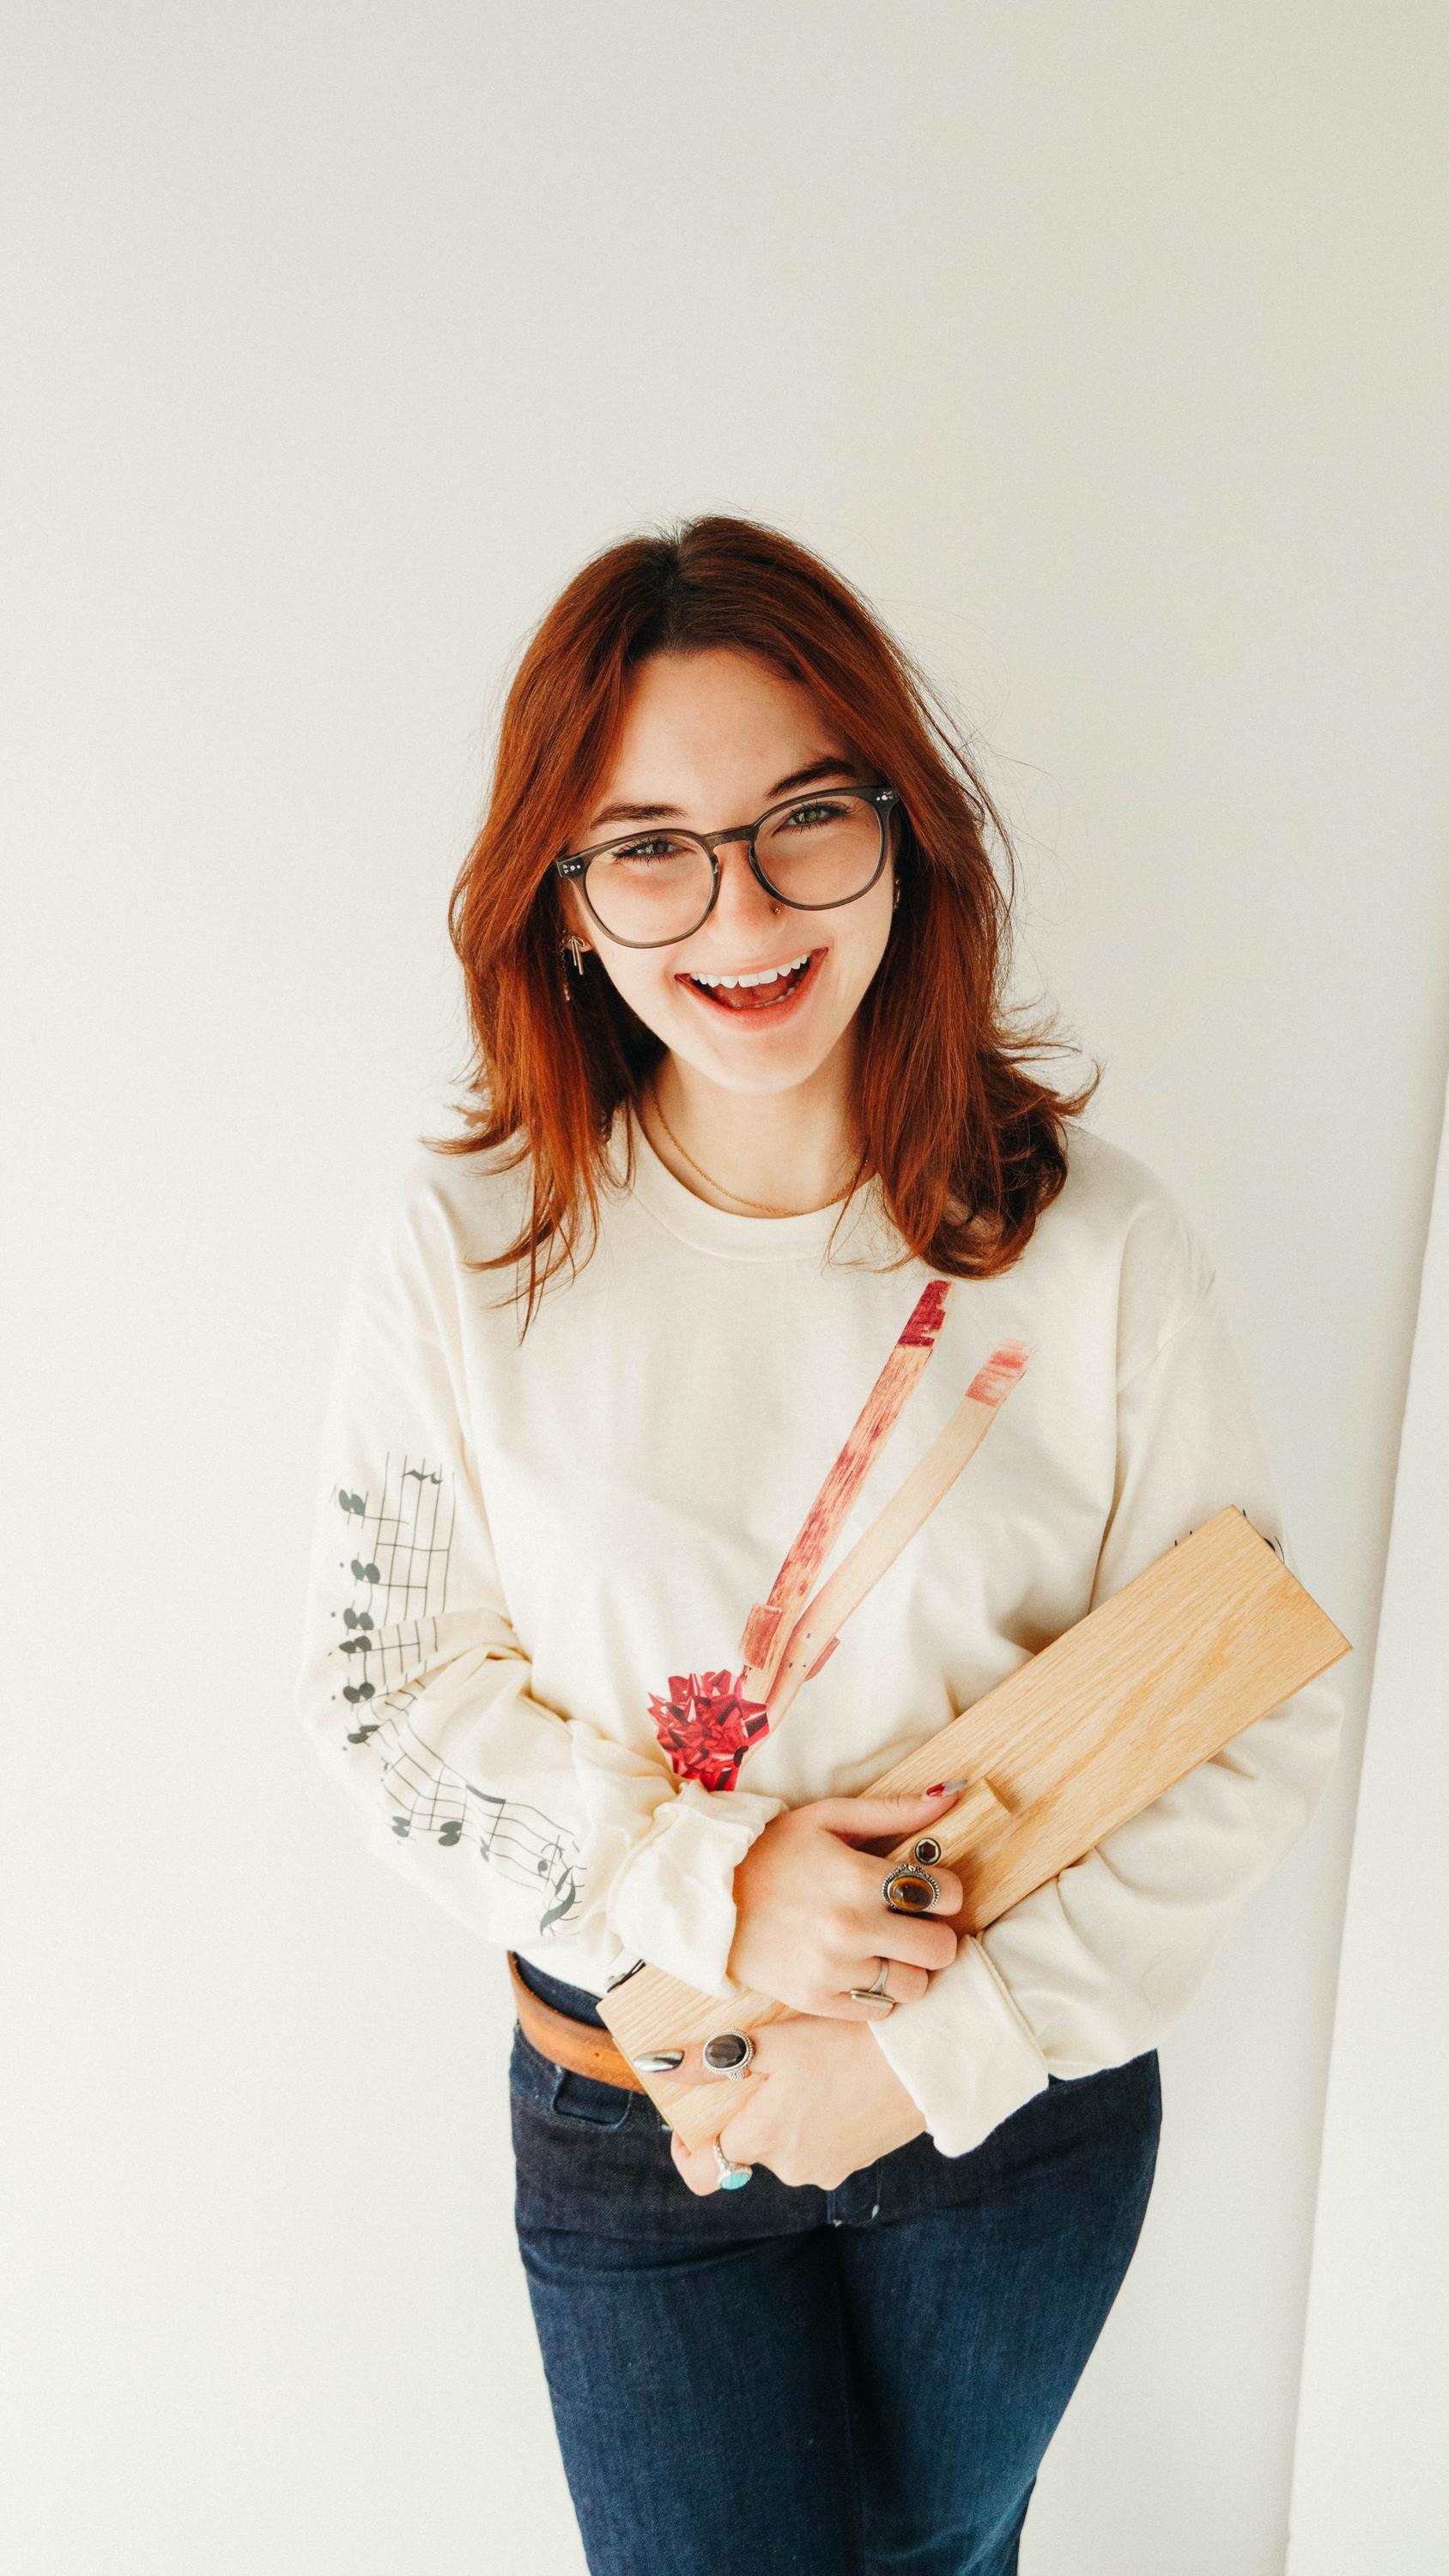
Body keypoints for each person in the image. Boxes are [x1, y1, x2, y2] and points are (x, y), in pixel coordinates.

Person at [293, 513, 1343, 2576]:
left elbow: (1242, 1709)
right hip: (636, 2095)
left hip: (1010, 2111)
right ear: (563, 896)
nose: (742, 909)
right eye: (650, 847)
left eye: (801, 820)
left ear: (902, 833)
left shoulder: (1094, 1245)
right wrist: (710, 1890)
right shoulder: (472, 1249)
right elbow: (384, 1696)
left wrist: (918, 2058)